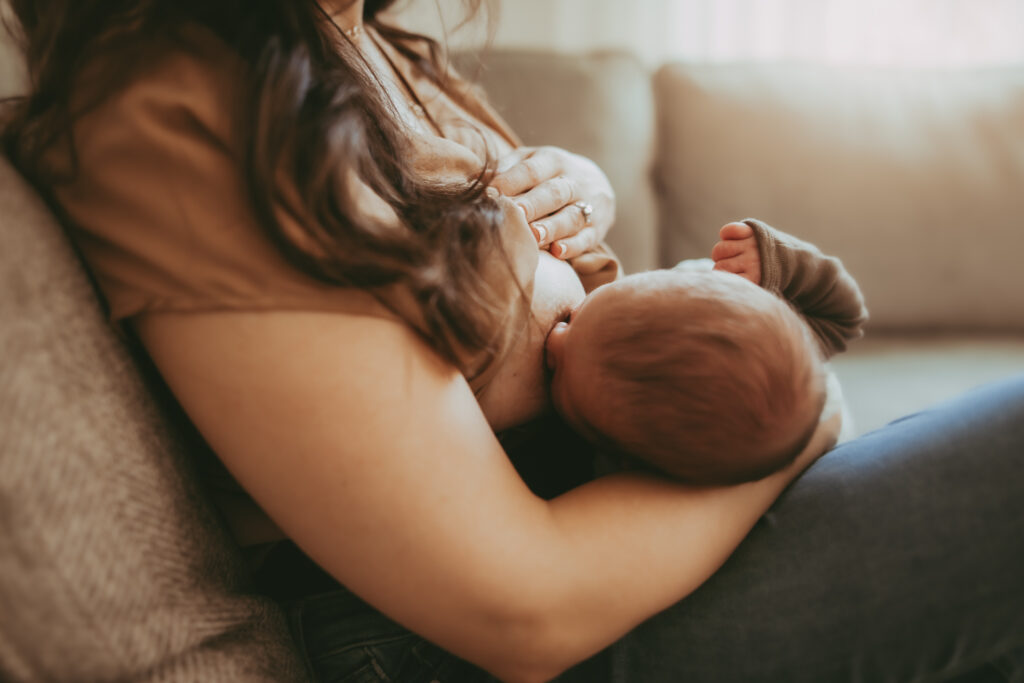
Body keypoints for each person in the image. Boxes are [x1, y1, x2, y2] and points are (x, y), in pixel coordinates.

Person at [3, 1, 1022, 681]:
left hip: (622, 540)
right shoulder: (187, 100)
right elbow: (518, 610)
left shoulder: (365, 39)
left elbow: (539, 283)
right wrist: (798, 427)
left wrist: (578, 192)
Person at [544, 218, 869, 485]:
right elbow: (845, 317)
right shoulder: (725, 297)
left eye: (558, 372)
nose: (554, 337)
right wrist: (778, 265)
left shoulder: (628, 464)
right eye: (574, 318)